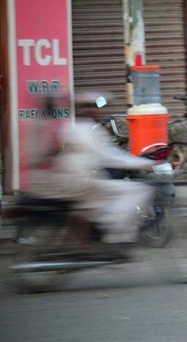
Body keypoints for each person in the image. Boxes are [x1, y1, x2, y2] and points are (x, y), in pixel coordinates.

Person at [27, 92, 156, 251]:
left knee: (105, 195)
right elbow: (111, 157)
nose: (93, 110)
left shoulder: (74, 127)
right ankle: (116, 238)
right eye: (88, 107)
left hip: (69, 179)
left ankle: (92, 238)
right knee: (137, 190)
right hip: (75, 181)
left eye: (95, 107)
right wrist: (147, 164)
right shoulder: (84, 129)